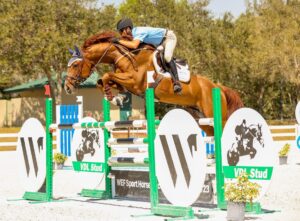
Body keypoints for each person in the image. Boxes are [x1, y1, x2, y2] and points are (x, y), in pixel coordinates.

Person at [113, 18, 182, 94]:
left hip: (168, 38)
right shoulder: (133, 35)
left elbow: (134, 45)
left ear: (127, 29)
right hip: (159, 43)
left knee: (167, 57)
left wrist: (118, 41)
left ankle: (177, 82)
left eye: (121, 31)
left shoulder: (138, 32)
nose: (121, 34)